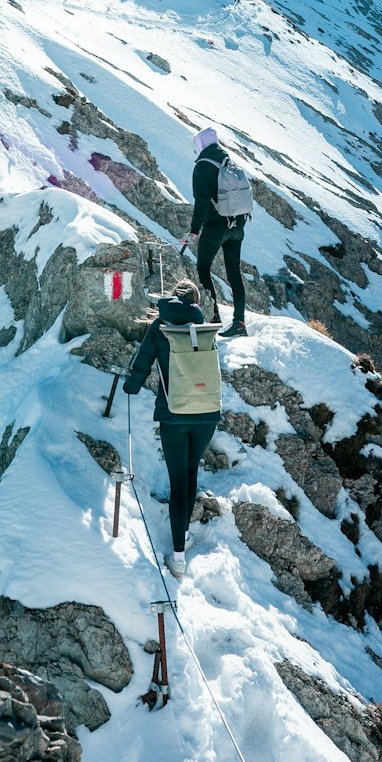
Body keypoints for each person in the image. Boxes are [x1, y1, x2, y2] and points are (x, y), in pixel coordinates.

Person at [123, 277, 220, 578]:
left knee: (178, 481)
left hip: (174, 415)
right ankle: (185, 535)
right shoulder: (204, 330)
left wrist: (130, 386)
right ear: (196, 302)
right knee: (191, 474)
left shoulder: (160, 327)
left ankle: (178, 555)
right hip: (206, 414)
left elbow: (142, 363)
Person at [187, 126, 248, 339]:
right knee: (234, 272)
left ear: (200, 144)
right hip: (237, 225)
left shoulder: (203, 166)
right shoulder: (227, 161)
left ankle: (213, 319)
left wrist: (194, 231)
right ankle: (239, 323)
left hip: (215, 227)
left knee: (203, 267)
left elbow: (201, 202)